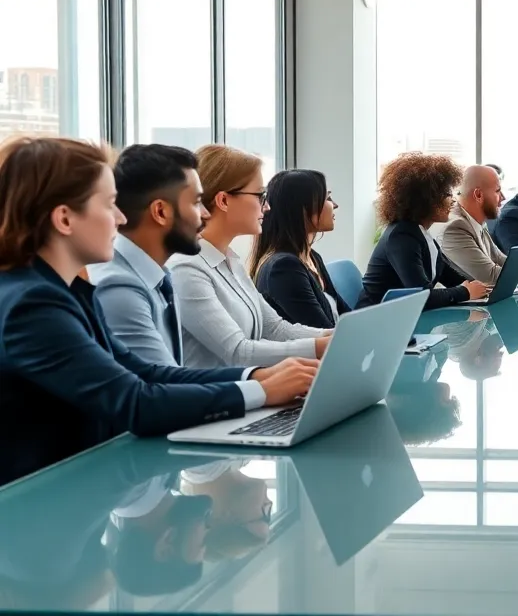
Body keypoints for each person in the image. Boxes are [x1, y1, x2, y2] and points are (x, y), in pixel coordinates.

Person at [0, 137, 315, 487]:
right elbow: (134, 401)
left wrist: (256, 378)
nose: (121, 218)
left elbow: (145, 372)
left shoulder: (68, 290)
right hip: (37, 515)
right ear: (64, 219)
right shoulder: (34, 305)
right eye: (109, 206)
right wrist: (262, 392)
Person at [170, 145, 330, 369]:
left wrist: (334, 334)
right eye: (260, 195)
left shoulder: (230, 261)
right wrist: (322, 347)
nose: (267, 207)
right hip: (221, 401)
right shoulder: (186, 269)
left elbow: (274, 328)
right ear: (223, 201)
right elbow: (238, 352)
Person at [88, 144, 209, 367]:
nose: (205, 214)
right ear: (161, 212)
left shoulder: (156, 276)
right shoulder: (117, 286)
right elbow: (162, 386)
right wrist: (260, 384)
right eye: (196, 202)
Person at [356, 153, 489, 309]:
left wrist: (481, 288)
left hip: (400, 317)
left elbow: (453, 279)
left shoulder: (421, 234)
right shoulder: (402, 237)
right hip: (376, 321)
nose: (452, 200)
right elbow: (422, 296)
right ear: (426, 199)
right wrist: (465, 292)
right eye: (447, 194)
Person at [251, 169, 348, 329]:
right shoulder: (283, 268)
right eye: (328, 198)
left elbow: (346, 316)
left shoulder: (312, 257)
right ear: (302, 209)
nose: (335, 205)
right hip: (318, 352)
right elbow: (322, 332)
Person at [441, 164, 518, 283]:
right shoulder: (456, 227)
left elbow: (503, 261)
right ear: (479, 195)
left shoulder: (476, 222)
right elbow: (491, 276)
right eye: (497, 191)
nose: (503, 197)